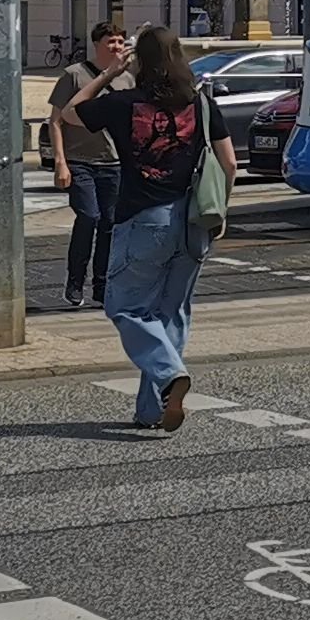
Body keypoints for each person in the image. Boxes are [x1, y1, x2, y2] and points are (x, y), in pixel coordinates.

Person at [80, 26, 213, 432]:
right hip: (192, 219)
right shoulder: (200, 102)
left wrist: (105, 74)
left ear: (139, 61)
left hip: (144, 219)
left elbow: (72, 111)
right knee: (170, 313)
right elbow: (226, 161)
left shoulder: (124, 102)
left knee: (125, 307)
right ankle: (152, 410)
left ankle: (171, 375)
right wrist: (217, 215)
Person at [48, 20, 128, 307]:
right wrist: (61, 161)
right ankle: (75, 281)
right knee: (88, 217)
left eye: (120, 41)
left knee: (109, 224)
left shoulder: (127, 78)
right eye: (110, 41)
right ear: (97, 44)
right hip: (80, 161)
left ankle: (101, 285)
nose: (116, 46)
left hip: (114, 164)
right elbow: (55, 121)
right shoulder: (74, 75)